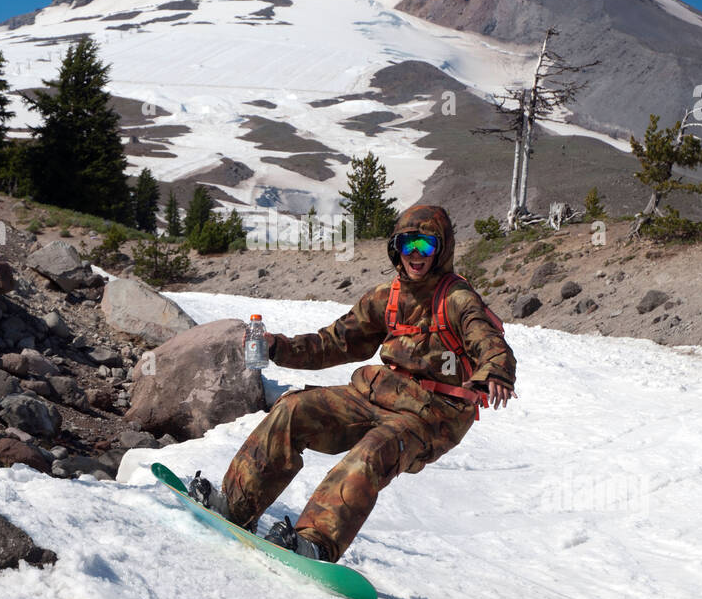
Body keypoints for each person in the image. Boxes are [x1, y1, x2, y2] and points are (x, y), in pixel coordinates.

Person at [189, 204, 516, 563]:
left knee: (374, 450)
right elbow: (336, 342)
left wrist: (495, 371)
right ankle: (237, 506)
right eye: (408, 245)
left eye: (426, 246)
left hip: (434, 416)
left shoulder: (457, 299)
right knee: (292, 409)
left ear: (442, 250)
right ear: (396, 248)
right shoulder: (386, 298)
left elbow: (488, 341)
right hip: (379, 395)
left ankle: (313, 543)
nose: (416, 255)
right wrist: (277, 347)